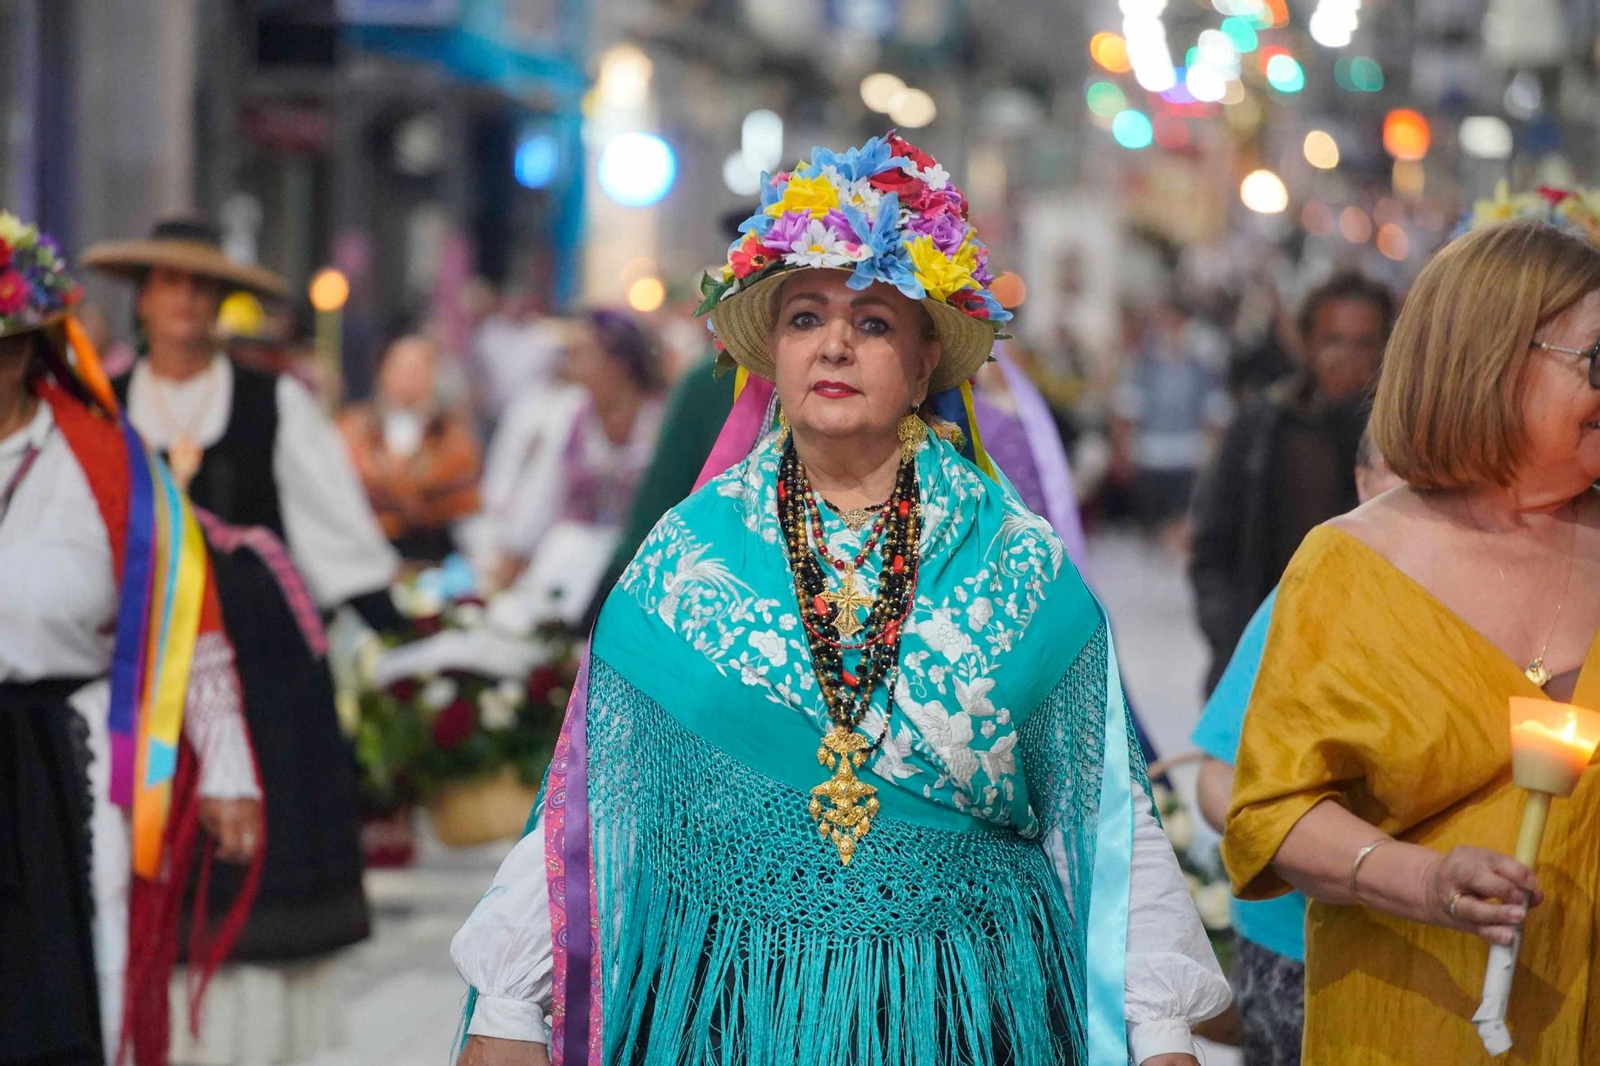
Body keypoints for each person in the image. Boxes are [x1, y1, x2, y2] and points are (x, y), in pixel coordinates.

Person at [450, 133, 1228, 1066]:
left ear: (925, 355)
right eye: (806, 317)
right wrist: (509, 1006)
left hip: (963, 1014)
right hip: (731, 1012)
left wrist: (1162, 1029)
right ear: (771, 353)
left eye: (871, 322)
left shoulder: (1016, 565)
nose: (834, 345)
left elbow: (1101, 818)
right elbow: (596, 804)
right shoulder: (686, 559)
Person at [1223, 219, 1600, 1063]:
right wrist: (1425, 882)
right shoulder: (1349, 565)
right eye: (1598, 361)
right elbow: (1272, 817)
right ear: (1494, 360)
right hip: (1415, 1020)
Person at [84, 219, 402, 1063]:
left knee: (258, 842)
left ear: (221, 304)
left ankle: (252, 1041)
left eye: (200, 286)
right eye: (166, 283)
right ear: (142, 299)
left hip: (258, 664)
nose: (183, 300)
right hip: (134, 658)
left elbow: (337, 534)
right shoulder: (99, 402)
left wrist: (409, 648)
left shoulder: (273, 400)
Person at [0, 213, 261, 1066]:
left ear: (33, 347)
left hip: (60, 761)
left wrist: (226, 770)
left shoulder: (108, 460)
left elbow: (192, 621)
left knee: (62, 990)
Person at [1190, 431, 1402, 1066]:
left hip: (1429, 942)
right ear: (1363, 484)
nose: (1420, 497)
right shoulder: (1312, 597)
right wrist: (1311, 851)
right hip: (1296, 942)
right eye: (1399, 473)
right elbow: (1216, 778)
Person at [1188, 272, 1395, 693]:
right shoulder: (1265, 423)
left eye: (1363, 343)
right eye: (1333, 340)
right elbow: (1212, 538)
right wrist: (1231, 637)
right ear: (1307, 343)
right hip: (1260, 661)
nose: (1346, 357)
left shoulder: (1398, 439)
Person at [473, 309, 666, 591]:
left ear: (619, 363)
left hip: (646, 565)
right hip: (574, 567)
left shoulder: (660, 419)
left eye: (581, 356)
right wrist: (510, 557)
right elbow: (541, 495)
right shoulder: (569, 415)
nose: (570, 368)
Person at [339, 334, 482, 564]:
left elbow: (461, 497)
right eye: (402, 368)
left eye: (418, 369)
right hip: (366, 547)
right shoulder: (352, 428)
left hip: (432, 550)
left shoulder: (450, 433)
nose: (409, 378)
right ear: (383, 371)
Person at [1109, 299, 1231, 538]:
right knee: (1150, 526)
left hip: (1188, 455)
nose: (1172, 332)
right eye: (1166, 325)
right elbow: (1126, 409)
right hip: (1149, 455)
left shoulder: (1201, 366)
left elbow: (1214, 414)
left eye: (1178, 325)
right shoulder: (1143, 363)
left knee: (1181, 523)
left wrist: (1215, 457)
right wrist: (1121, 450)